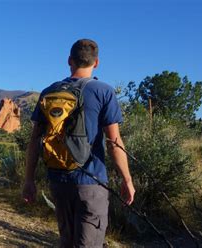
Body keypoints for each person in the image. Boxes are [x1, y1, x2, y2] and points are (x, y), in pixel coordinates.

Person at [22, 39, 135, 248]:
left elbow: (35, 139)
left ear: (69, 60)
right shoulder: (104, 91)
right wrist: (127, 179)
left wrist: (29, 180)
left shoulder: (49, 92)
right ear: (97, 63)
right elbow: (114, 142)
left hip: (57, 180)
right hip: (91, 183)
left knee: (67, 242)